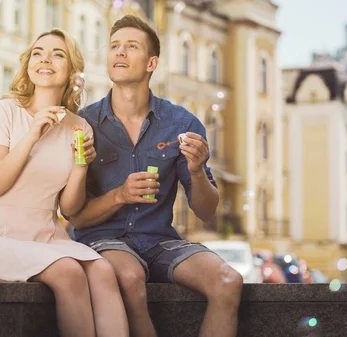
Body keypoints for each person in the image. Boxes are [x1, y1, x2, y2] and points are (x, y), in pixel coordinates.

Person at [69, 15, 243, 337]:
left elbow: (206, 211)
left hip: (160, 242)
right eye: (114, 47)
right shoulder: (83, 123)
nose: (119, 53)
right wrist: (119, 195)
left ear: (152, 63)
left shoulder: (181, 124)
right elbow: (74, 216)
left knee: (229, 281)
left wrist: (196, 171)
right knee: (130, 278)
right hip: (102, 239)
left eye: (130, 47)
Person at [0, 29, 129, 337]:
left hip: (47, 237)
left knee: (104, 272)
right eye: (39, 52)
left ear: (71, 70)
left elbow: (69, 209)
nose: (46, 59)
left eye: (58, 54)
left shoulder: (79, 126)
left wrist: (81, 167)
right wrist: (31, 136)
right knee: (69, 272)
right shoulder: (5, 111)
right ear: (29, 63)